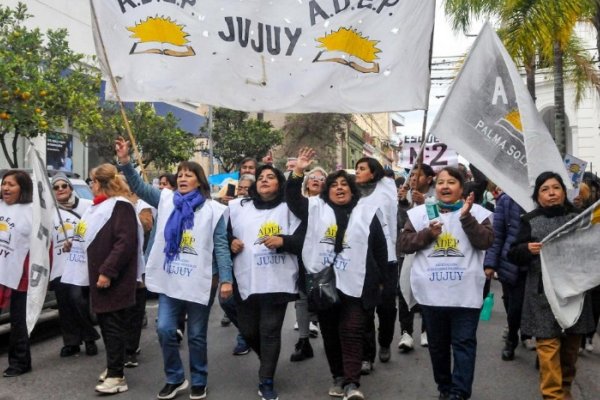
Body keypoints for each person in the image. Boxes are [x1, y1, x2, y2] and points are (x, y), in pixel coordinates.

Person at [116, 138, 233, 400]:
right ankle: (175, 378)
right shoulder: (166, 200)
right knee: (165, 329)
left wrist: (226, 278)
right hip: (170, 280)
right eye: (179, 174)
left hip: (198, 282)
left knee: (196, 336)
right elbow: (138, 187)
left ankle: (199, 380)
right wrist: (125, 162)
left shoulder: (214, 210)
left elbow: (222, 246)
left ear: (199, 181)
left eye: (188, 175)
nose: (182, 178)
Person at [286, 148, 388, 400]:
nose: (340, 188)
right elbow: (292, 199)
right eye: (335, 185)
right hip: (325, 284)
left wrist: (383, 280)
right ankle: (338, 377)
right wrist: (298, 170)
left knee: (351, 331)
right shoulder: (315, 209)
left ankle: (353, 384)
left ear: (352, 190)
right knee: (331, 335)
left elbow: (379, 248)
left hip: (358, 284)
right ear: (327, 190)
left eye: (345, 184)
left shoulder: (366, 212)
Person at [399, 166, 494, 400]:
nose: (445, 186)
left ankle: (459, 394)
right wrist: (428, 234)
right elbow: (404, 244)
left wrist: (466, 218)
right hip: (432, 295)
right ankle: (444, 387)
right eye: (441, 182)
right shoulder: (420, 213)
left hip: (465, 295)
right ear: (435, 187)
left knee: (463, 344)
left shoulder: (478, 213)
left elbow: (485, 241)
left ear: (462, 188)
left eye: (451, 182)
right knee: (438, 347)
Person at [508, 171, 595, 400]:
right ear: (537, 196)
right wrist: (526, 249)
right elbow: (513, 253)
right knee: (548, 354)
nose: (551, 193)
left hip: (575, 295)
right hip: (542, 297)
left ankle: (564, 393)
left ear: (564, 192)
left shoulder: (579, 218)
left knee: (569, 356)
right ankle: (553, 396)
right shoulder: (529, 220)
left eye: (555, 188)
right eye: (545, 190)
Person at [61, 164, 143, 394]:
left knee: (113, 326)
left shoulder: (121, 206)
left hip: (112, 278)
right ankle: (113, 367)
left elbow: (125, 243)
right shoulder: (100, 206)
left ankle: (117, 376)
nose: (91, 185)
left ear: (100, 183)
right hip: (98, 275)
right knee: (107, 326)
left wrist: (107, 271)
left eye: (92, 181)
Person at [228, 164, 301, 400]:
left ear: (279, 183)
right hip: (246, 279)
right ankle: (267, 360)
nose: (264, 180)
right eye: (260, 177)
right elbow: (223, 235)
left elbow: (303, 238)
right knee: (249, 331)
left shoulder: (290, 208)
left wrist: (284, 241)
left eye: (271, 177)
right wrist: (231, 242)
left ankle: (266, 380)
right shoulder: (239, 208)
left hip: (276, 280)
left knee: (269, 331)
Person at [49, 173, 100, 358]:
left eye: (64, 186)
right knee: (65, 305)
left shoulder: (88, 206)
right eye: (56, 187)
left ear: (70, 188)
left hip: (81, 264)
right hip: (60, 266)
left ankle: (89, 338)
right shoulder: (48, 213)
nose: (61, 189)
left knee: (78, 300)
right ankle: (71, 342)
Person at [354, 157, 398, 371]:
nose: (357, 172)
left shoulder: (386, 190)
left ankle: (385, 341)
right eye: (356, 169)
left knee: (387, 306)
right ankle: (366, 355)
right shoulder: (352, 193)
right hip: (362, 258)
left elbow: (392, 210)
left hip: (387, 257)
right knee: (365, 308)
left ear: (373, 173)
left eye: (361, 169)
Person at [483, 190, 530, 361]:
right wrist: (490, 263)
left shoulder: (545, 197)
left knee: (534, 305)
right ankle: (512, 337)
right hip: (511, 261)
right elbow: (498, 234)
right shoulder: (507, 200)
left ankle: (533, 339)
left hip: (536, 263)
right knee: (513, 305)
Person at [289, 166, 328, 362]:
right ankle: (304, 341)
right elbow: (292, 196)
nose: (317, 180)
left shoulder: (328, 205)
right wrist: (296, 172)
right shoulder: (301, 204)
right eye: (312, 177)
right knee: (302, 297)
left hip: (325, 259)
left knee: (327, 298)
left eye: (322, 179)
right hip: (301, 259)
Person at [397, 164, 436, 351]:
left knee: (427, 291)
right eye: (411, 175)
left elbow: (436, 223)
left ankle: (427, 330)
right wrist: (403, 204)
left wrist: (424, 204)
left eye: (418, 175)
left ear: (429, 179)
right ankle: (406, 332)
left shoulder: (437, 198)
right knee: (404, 289)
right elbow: (401, 225)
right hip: (407, 252)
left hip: (430, 253)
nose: (413, 178)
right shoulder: (405, 195)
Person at [0, 170, 33, 377]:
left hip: (20, 274)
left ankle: (20, 361)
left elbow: (41, 246)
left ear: (23, 188)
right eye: (4, 184)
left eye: (11, 184)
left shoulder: (32, 211)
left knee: (18, 321)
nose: (5, 188)